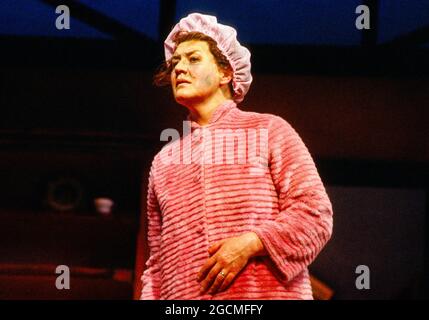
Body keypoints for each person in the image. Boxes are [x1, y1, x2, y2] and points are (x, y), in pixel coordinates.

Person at [140, 13, 333, 300]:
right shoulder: (165, 161)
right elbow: (157, 264)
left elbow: (315, 215)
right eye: (175, 62)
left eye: (193, 59)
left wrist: (252, 242)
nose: (179, 68)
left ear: (226, 73)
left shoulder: (269, 130)